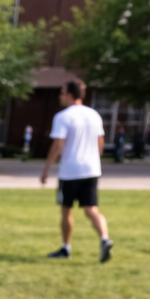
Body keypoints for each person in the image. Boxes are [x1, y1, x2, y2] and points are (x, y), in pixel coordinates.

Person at [41, 79, 112, 263]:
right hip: (92, 170)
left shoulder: (63, 117)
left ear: (70, 95)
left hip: (70, 171)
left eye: (62, 92)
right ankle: (104, 238)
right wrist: (93, 159)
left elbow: (58, 145)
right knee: (91, 209)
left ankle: (66, 247)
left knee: (66, 211)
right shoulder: (94, 115)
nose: (60, 96)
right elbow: (100, 143)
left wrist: (46, 168)